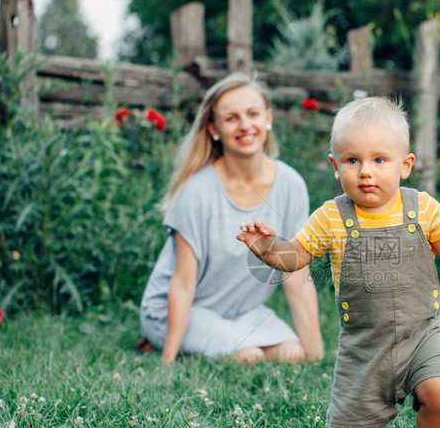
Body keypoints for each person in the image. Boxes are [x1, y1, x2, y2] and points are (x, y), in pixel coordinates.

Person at [237, 96, 440, 428]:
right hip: (364, 347)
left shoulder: (421, 207)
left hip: (423, 335)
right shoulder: (332, 216)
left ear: (405, 165)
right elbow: (295, 256)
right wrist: (267, 248)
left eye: (379, 160)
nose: (366, 172)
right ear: (335, 167)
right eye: (352, 161)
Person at [139, 73, 324, 365]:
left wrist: (316, 356)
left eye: (253, 114)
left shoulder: (291, 184)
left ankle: (228, 340)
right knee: (247, 356)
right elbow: (182, 285)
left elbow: (295, 272)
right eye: (231, 118)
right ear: (214, 128)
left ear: (268, 118)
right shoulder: (196, 191)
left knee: (293, 354)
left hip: (241, 313)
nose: (245, 125)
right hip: (176, 311)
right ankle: (160, 339)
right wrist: (168, 360)